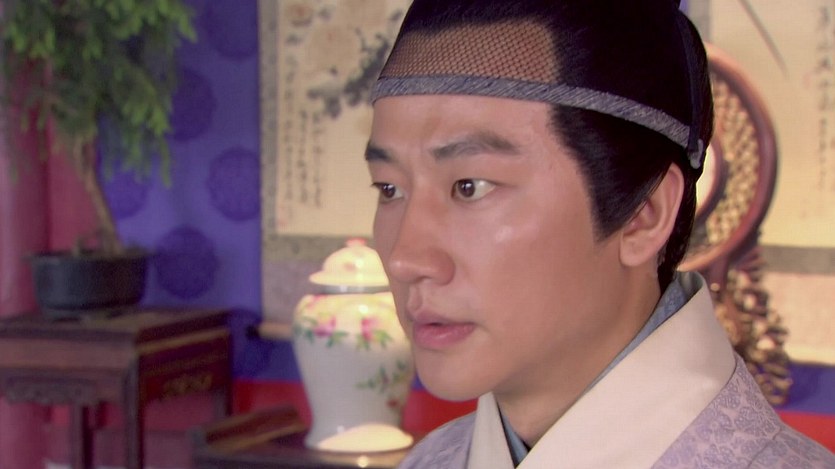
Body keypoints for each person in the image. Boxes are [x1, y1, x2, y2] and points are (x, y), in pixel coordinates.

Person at [365, 0, 835, 468]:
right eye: (389, 188)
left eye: (470, 186)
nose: (405, 258)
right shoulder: (430, 461)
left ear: (643, 215)